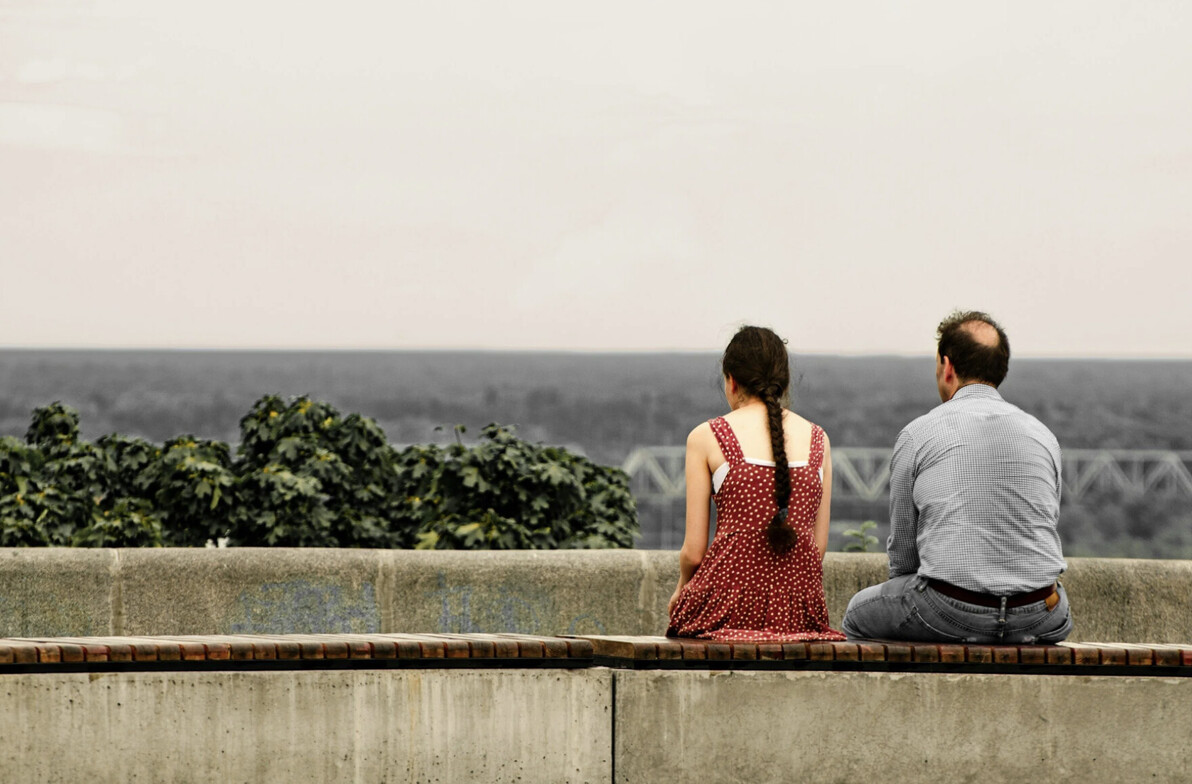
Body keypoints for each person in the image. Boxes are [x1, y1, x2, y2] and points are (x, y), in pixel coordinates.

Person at [841, 310, 1072, 644]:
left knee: (858, 614)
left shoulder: (918, 433)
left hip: (949, 610)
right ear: (1000, 369)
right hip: (1043, 612)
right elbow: (1045, 526)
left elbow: (904, 555)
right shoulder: (1044, 436)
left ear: (947, 366)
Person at [666, 326, 845, 641]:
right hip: (800, 612)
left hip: (727, 609)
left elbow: (694, 553)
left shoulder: (706, 436)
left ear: (731, 381)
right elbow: (817, 549)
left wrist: (682, 588)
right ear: (783, 383)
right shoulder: (819, 440)